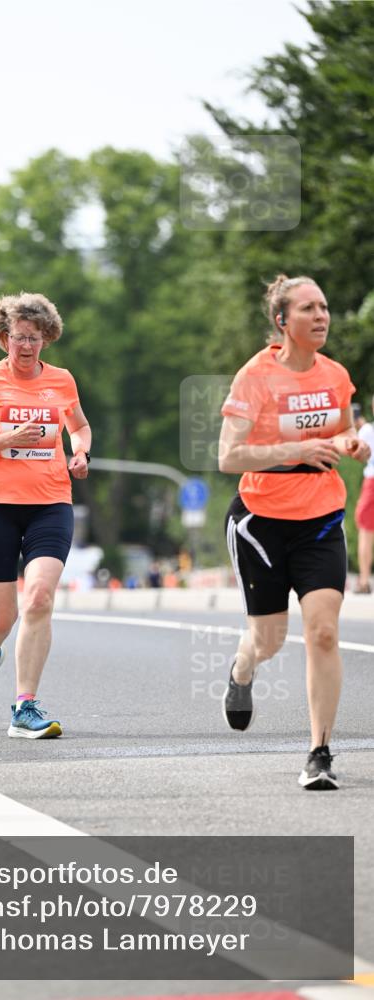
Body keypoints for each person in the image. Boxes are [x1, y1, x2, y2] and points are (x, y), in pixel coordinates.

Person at [218, 274, 371, 791]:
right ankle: (243, 668)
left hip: (322, 518)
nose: (322, 316)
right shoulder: (255, 377)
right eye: (309, 308)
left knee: (324, 633)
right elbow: (228, 456)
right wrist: (295, 452)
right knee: (271, 638)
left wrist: (352, 445)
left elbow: (343, 429)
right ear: (282, 321)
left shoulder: (335, 374)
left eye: (325, 307)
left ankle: (319, 752)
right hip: (261, 520)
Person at [0, 292, 91, 739]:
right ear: (3, 338)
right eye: (17, 337)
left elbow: (80, 426)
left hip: (50, 502)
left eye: (34, 338)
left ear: (46, 339)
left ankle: (24, 706)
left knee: (39, 599)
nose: (25, 346)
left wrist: (81, 451)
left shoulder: (62, 382)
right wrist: (7, 437)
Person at [353, 395, 374, 594]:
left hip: (372, 483)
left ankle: (364, 580)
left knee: (366, 533)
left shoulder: (367, 430)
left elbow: (356, 450)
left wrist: (359, 427)